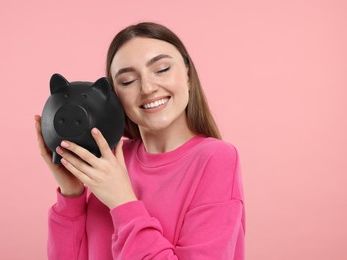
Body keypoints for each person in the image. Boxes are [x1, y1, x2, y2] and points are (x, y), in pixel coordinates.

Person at [34, 22, 245, 260]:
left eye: (162, 69)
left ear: (187, 74)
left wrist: (122, 201)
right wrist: (71, 194)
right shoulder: (109, 160)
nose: (147, 88)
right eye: (127, 81)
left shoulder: (215, 158)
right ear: (113, 95)